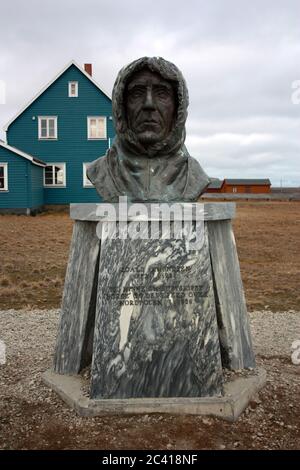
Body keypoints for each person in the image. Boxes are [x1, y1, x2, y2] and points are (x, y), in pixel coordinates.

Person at [87, 56, 210, 202]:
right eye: (137, 93)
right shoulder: (101, 171)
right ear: (121, 106)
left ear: (178, 108)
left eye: (162, 94)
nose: (149, 104)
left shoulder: (195, 176)